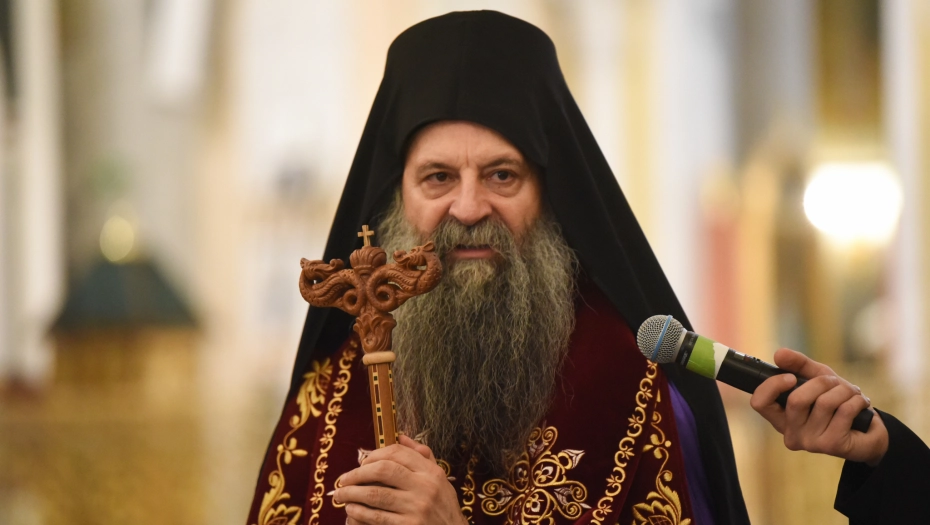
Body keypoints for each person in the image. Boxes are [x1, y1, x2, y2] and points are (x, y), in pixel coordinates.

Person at [246, 11, 930, 525]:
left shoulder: (634, 387)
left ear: (551, 193)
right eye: (437, 177)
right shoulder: (330, 389)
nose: (469, 207)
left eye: (502, 174)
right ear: (397, 196)